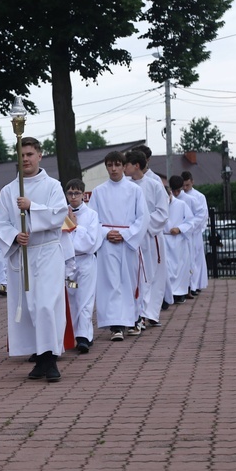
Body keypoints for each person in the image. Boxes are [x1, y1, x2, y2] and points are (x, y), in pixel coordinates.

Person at [0, 137, 68, 382]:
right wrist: (15, 236)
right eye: (21, 155)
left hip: (47, 252)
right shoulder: (8, 190)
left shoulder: (53, 186)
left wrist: (31, 206)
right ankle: (39, 356)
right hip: (23, 254)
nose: (25, 159)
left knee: (46, 304)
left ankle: (51, 359)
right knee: (29, 307)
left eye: (29, 154)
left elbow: (59, 215)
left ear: (39, 156)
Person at [88, 151, 149, 342]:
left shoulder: (135, 190)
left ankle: (133, 318)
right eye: (109, 165)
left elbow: (143, 218)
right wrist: (106, 233)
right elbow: (92, 220)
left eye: (117, 165)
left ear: (124, 166)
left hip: (128, 242)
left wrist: (125, 234)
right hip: (107, 244)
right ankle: (116, 325)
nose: (113, 169)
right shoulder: (98, 191)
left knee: (128, 281)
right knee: (111, 283)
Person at [124, 150, 169, 331]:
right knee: (134, 277)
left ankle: (149, 313)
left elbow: (163, 212)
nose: (122, 167)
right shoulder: (125, 185)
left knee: (152, 276)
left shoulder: (154, 184)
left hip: (150, 237)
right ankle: (137, 314)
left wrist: (143, 225)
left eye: (125, 164)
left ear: (136, 166)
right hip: (131, 238)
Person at [63, 179, 102, 353]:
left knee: (85, 298)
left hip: (85, 261)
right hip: (68, 263)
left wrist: (75, 226)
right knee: (71, 298)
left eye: (76, 193)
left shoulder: (91, 215)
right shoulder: (61, 213)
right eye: (70, 193)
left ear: (83, 195)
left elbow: (90, 242)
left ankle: (84, 336)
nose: (73, 197)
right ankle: (72, 333)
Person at [165, 178, 194, 304]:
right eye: (174, 191)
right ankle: (169, 292)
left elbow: (190, 222)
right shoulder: (161, 205)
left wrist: (179, 228)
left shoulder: (182, 205)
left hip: (178, 240)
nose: (176, 193)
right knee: (167, 267)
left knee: (180, 267)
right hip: (165, 239)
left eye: (178, 191)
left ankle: (180, 292)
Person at [181, 171, 209, 296]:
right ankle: (188, 284)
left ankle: (196, 284)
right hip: (183, 232)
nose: (185, 188)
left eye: (188, 185)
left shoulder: (199, 196)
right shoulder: (179, 196)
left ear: (192, 182)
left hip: (195, 232)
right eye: (184, 185)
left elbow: (203, 215)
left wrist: (195, 228)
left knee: (197, 258)